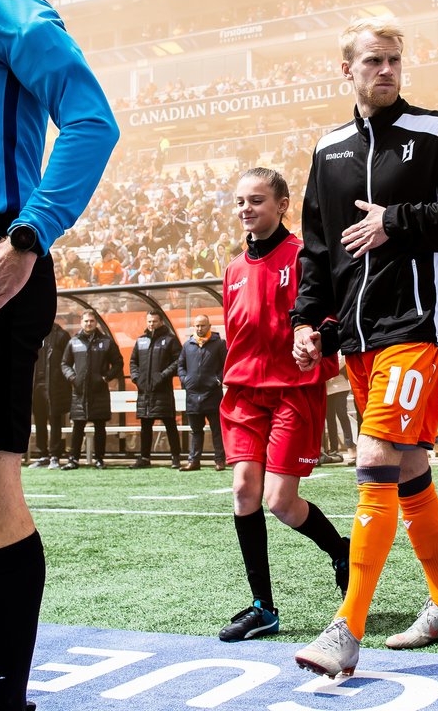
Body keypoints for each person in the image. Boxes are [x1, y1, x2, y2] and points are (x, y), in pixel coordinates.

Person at [290, 17, 438, 678]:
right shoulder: (328, 149)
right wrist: (308, 322)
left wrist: (396, 221)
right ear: (346, 71)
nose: (386, 70)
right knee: (406, 473)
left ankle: (346, 630)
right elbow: (317, 249)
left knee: (374, 456)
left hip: (415, 325)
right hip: (357, 335)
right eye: (373, 61)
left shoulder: (436, 134)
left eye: (395, 60)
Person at [0, 0, 118, 711]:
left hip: (4, 258)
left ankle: (7, 692)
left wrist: (28, 234)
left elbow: (91, 121)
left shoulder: (13, 10)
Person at [218, 166, 350, 643]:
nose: (246, 209)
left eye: (256, 200)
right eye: (239, 201)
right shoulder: (233, 269)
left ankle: (341, 551)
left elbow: (333, 313)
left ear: (281, 205)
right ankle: (263, 607)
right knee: (243, 491)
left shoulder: (305, 257)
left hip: (293, 389)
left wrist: (317, 336)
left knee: (280, 500)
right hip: (243, 394)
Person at [60, 311, 123, 470]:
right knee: (78, 427)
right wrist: (73, 378)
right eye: (86, 321)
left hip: (99, 391)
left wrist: (106, 378)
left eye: (92, 321)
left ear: (96, 323)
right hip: (79, 392)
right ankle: (73, 460)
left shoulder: (106, 342)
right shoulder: (73, 342)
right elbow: (65, 364)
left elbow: (118, 363)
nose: (89, 324)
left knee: (100, 426)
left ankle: (99, 459)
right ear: (81, 322)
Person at [128, 310, 182, 469]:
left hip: (162, 389)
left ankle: (176, 457)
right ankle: (144, 458)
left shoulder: (170, 340)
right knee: (145, 425)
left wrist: (163, 375)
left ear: (161, 322)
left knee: (169, 423)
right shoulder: (141, 341)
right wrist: (137, 378)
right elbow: (133, 362)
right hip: (145, 390)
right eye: (149, 321)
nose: (152, 324)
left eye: (155, 321)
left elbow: (179, 360)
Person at [177, 315, 227, 471]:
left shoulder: (219, 344)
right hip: (192, 395)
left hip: (212, 394)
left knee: (217, 429)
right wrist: (185, 380)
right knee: (195, 430)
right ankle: (194, 461)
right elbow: (180, 366)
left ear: (209, 326)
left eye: (203, 325)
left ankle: (219, 460)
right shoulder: (188, 345)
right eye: (197, 326)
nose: (199, 329)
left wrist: (217, 381)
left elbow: (226, 365)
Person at [29, 321, 72, 469]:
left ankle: (55, 455)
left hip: (54, 386)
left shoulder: (61, 335)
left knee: (55, 420)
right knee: (39, 420)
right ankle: (43, 455)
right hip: (36, 385)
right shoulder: (33, 333)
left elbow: (68, 361)